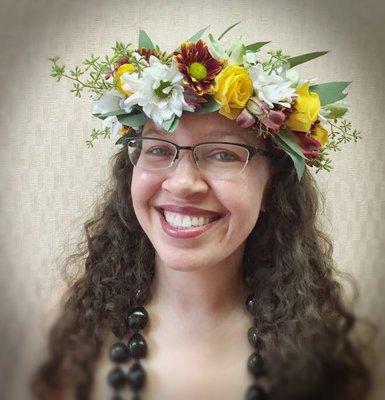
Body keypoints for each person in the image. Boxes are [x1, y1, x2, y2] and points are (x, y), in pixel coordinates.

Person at [31, 25, 374, 400]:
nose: (181, 184)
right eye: (159, 149)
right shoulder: (70, 319)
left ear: (273, 186)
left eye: (224, 154)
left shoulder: (333, 345)